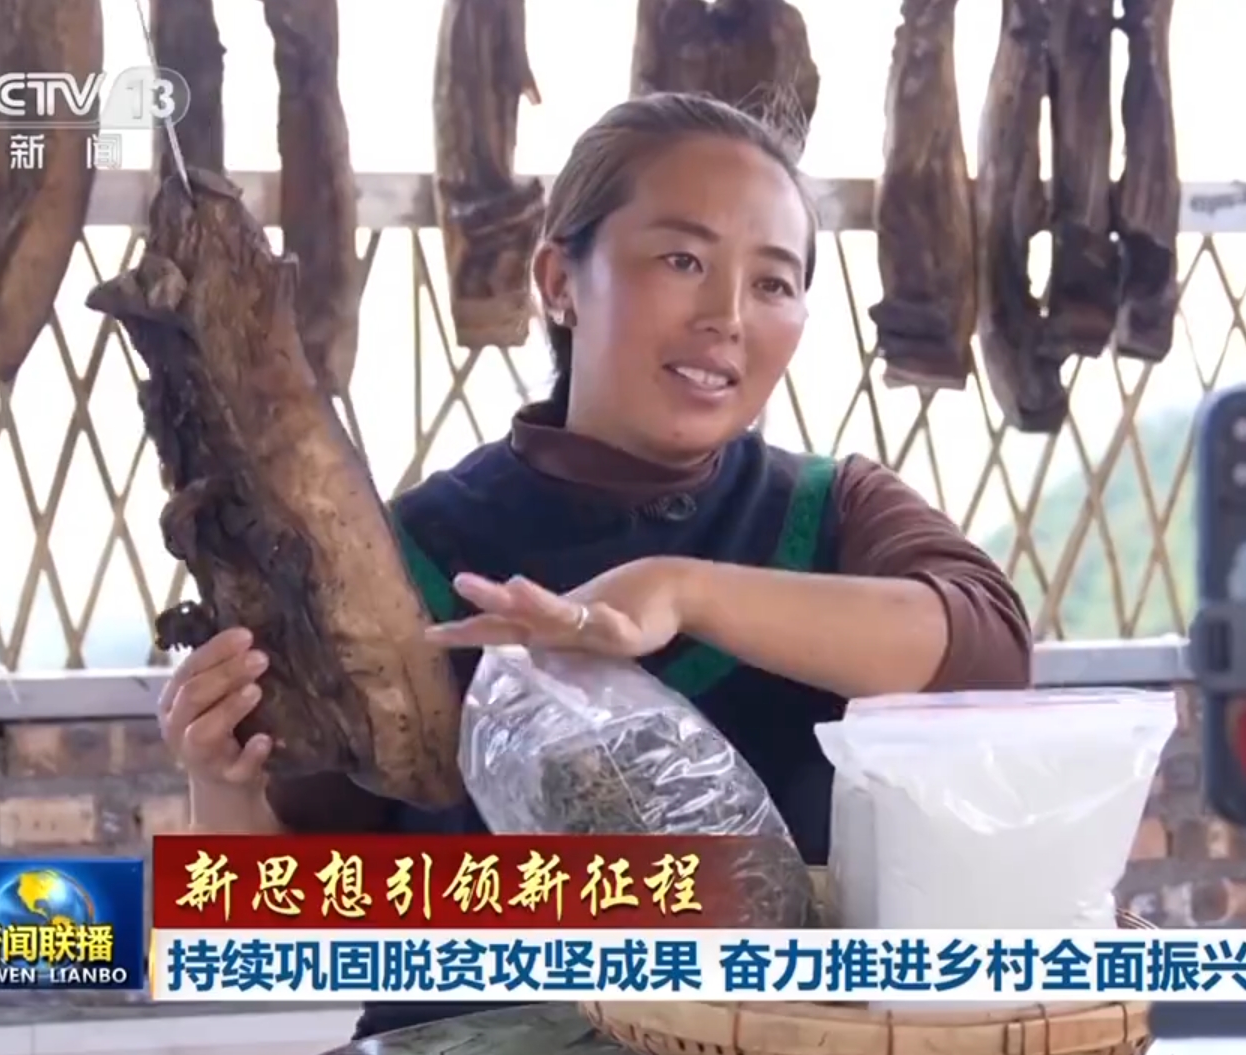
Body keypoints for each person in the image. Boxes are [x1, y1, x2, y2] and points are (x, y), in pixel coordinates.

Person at [156, 92, 1033, 1040]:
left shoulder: (834, 511)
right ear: (559, 281)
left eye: (774, 283)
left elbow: (988, 649)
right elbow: (282, 900)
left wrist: (680, 590)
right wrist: (223, 779)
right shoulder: (405, 556)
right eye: (682, 260)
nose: (727, 316)